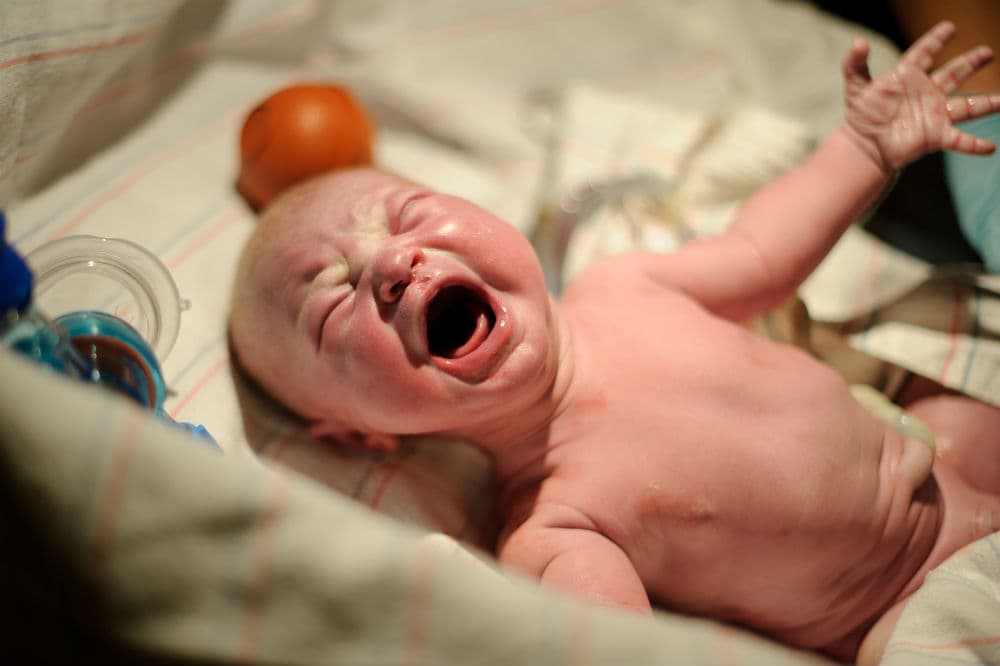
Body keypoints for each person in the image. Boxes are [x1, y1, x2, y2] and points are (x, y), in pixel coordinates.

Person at [229, 22, 1000, 665]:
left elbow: (763, 254)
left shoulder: (622, 284)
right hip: (905, 611)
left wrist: (864, 147)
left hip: (945, 461)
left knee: (960, 400)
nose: (393, 265)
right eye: (334, 307)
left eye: (406, 216)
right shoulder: (554, 529)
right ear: (361, 436)